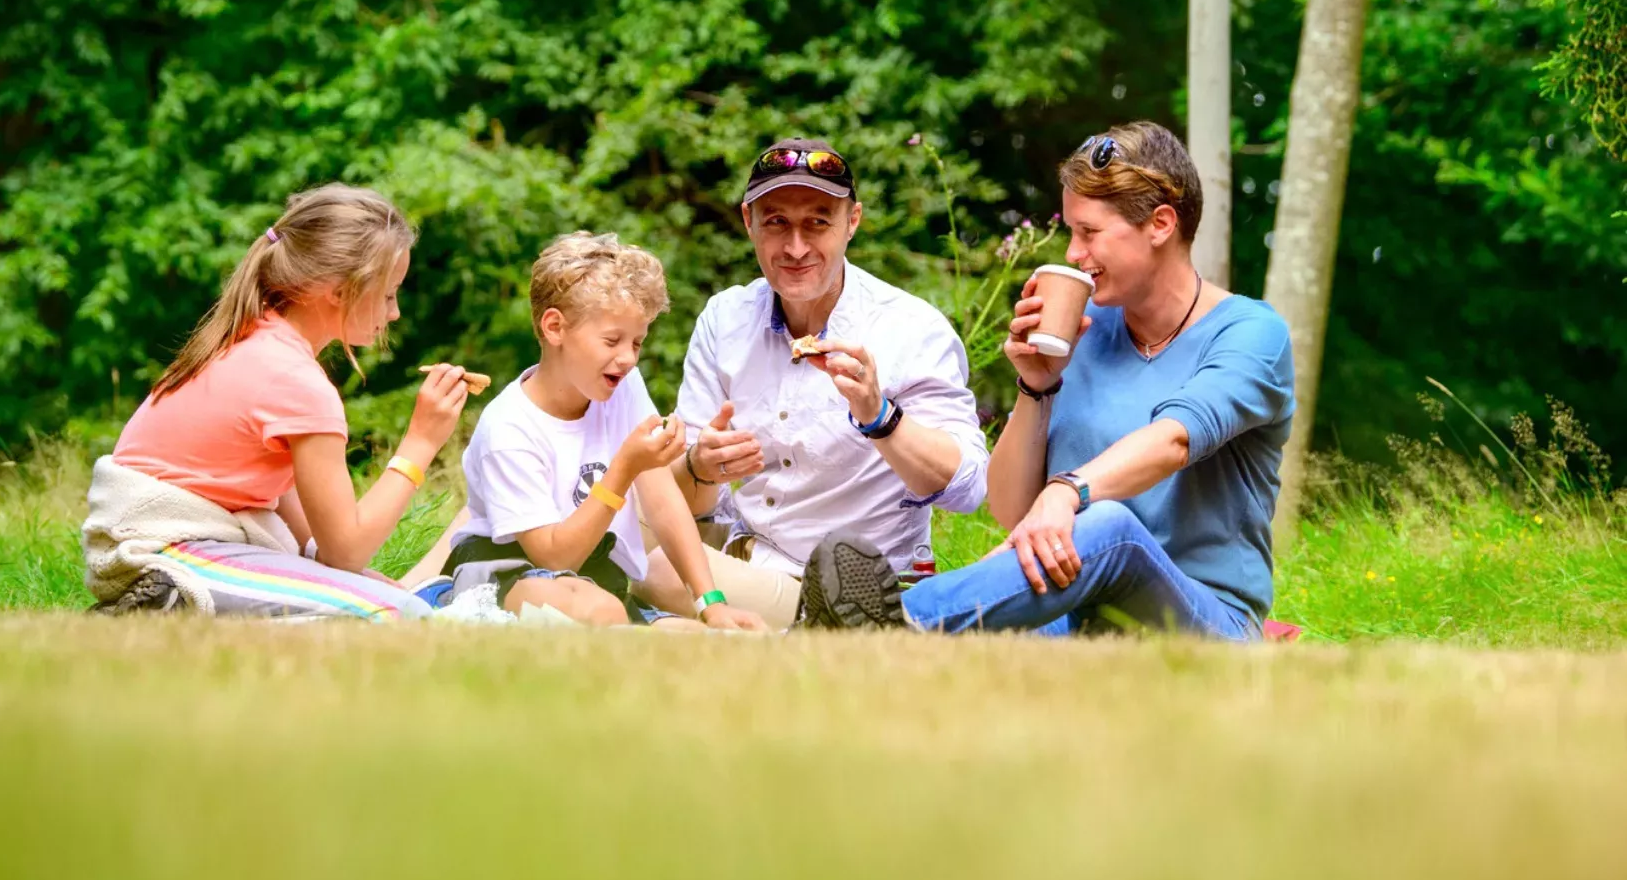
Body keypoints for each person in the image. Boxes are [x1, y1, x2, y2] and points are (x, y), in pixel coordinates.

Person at [801, 121, 1295, 639]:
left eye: (1090, 232)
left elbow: (1173, 440)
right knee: (984, 648)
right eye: (1071, 233)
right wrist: (1036, 387)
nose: (1073, 254)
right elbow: (1015, 513)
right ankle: (846, 631)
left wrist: (1066, 493)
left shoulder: (1251, 334)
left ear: (1161, 224)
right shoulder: (1083, 332)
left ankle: (898, 620)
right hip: (1076, 616)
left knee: (1111, 526)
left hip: (1205, 622)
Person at [638, 137, 990, 629]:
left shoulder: (911, 329)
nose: (796, 247)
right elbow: (692, 505)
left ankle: (816, 627)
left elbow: (968, 488)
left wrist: (880, 416)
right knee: (616, 502)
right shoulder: (726, 318)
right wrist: (700, 466)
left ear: (853, 222)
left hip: (860, 586)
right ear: (749, 222)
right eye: (777, 222)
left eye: (818, 223)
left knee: (653, 569)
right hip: (750, 556)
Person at [81, 183, 470, 619]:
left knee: (378, 599)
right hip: (166, 551)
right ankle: (167, 604)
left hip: (150, 540)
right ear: (340, 292)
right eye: (387, 294)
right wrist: (421, 441)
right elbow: (346, 549)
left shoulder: (255, 340)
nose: (394, 313)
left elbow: (312, 538)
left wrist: (348, 581)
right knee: (398, 614)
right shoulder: (294, 379)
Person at [423, 233, 768, 630]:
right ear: (555, 328)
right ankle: (439, 601)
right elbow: (553, 558)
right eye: (612, 340)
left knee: (697, 634)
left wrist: (711, 604)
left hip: (595, 577)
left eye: (637, 342)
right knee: (600, 612)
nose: (627, 358)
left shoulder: (622, 386)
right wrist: (622, 470)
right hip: (507, 574)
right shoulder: (508, 428)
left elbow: (662, 501)